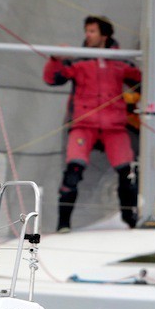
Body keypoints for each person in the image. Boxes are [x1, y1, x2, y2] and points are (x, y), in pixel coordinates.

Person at [43, 15, 142, 231]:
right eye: (87, 31)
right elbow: (53, 79)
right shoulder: (78, 60)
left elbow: (143, 82)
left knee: (128, 174)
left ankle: (131, 220)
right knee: (73, 172)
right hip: (83, 126)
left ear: (104, 35)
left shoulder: (121, 61)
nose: (87, 35)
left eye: (92, 31)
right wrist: (55, 59)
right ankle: (63, 223)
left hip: (114, 128)